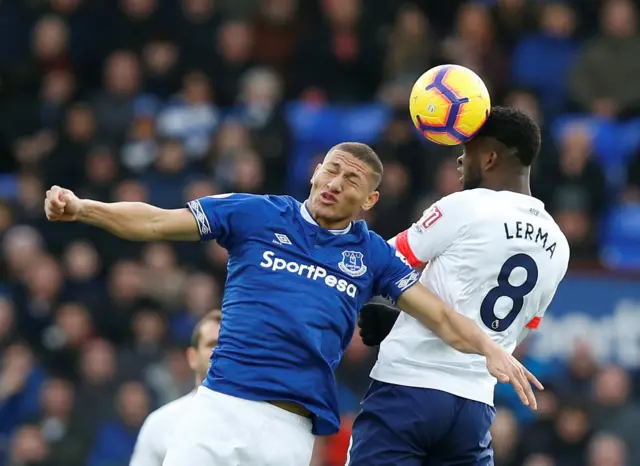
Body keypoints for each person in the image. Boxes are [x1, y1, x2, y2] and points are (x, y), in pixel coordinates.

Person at [43, 141, 540, 466]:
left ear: (370, 200)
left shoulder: (372, 256)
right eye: (331, 171)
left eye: (351, 181)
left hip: (291, 428)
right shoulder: (255, 214)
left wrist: (491, 349)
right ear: (313, 173)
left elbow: (441, 317)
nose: (334, 184)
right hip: (220, 407)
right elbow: (154, 222)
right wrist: (85, 209)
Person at [347, 107, 570, 466]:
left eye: (467, 149)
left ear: (491, 157)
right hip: (474, 407)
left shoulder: (466, 206)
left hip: (408, 387)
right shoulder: (559, 244)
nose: (460, 159)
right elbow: (522, 331)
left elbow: (379, 262)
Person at [129, 310, 221, 466]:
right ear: (192, 357)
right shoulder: (160, 423)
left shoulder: (257, 419)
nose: (220, 350)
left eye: (227, 344)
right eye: (212, 344)